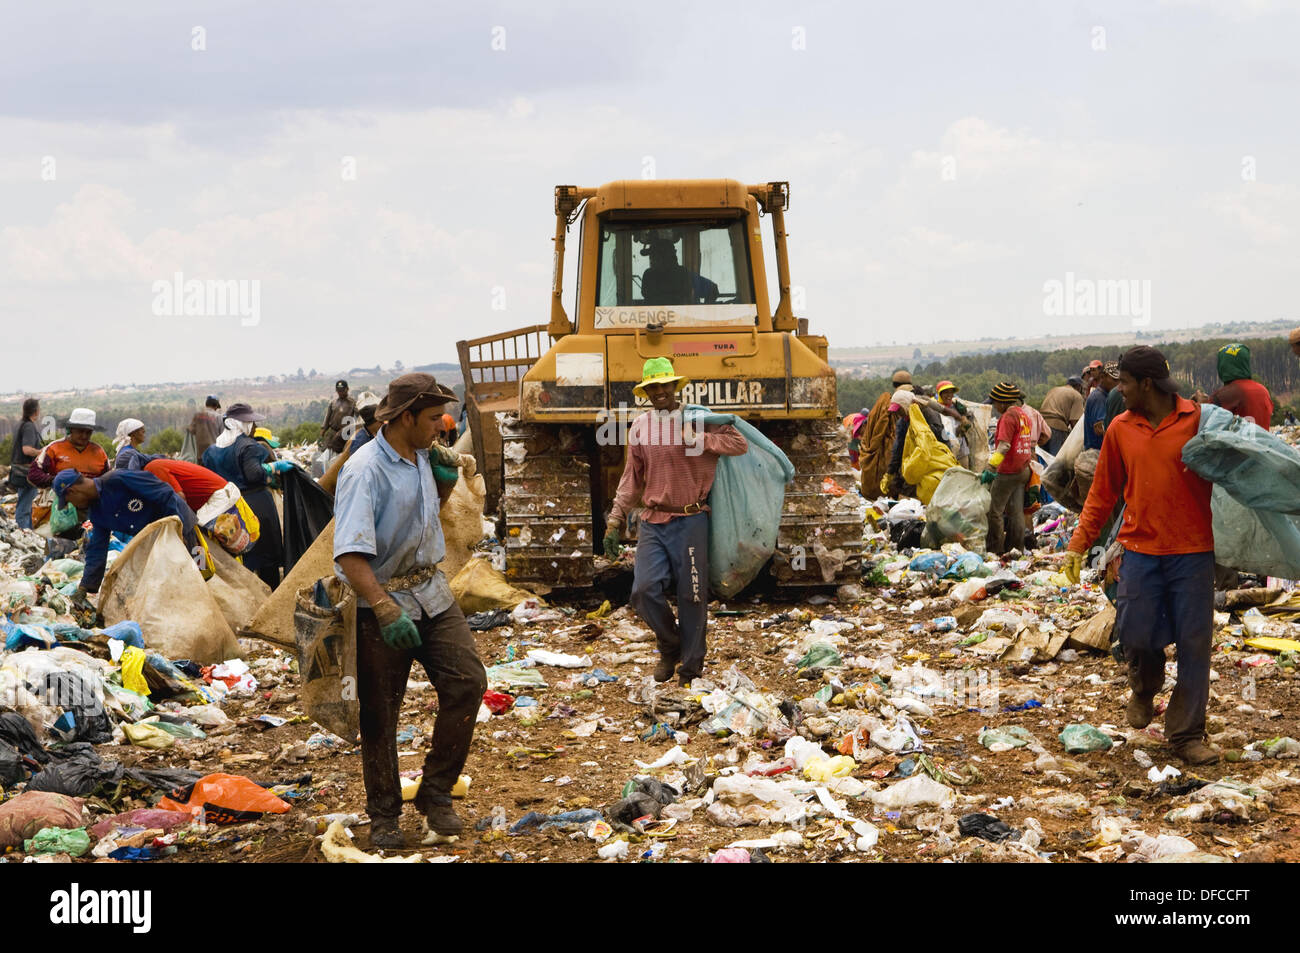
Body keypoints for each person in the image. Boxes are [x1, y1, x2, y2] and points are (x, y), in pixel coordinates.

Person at [333, 373, 487, 849]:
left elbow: (425, 516)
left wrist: (442, 486)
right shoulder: (364, 471)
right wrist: (381, 607)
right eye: (432, 419)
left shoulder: (423, 455)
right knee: (380, 713)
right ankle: (383, 816)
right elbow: (349, 554)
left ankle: (436, 793)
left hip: (431, 591)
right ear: (404, 418)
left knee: (467, 682)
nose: (442, 428)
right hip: (382, 600)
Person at [1063, 346, 1218, 765]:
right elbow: (1102, 491)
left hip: (1194, 551)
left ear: (1146, 384)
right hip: (1140, 549)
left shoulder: (1199, 421)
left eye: (1126, 383)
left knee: (1194, 643)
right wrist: (1079, 544)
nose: (1119, 390)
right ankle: (1145, 686)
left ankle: (1186, 734)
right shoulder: (1120, 428)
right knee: (1134, 632)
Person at [604, 358, 748, 686]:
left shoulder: (699, 419)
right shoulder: (640, 426)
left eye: (664, 386)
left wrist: (700, 440)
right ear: (646, 392)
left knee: (692, 595)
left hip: (691, 518)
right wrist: (615, 519)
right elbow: (632, 477)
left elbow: (739, 444)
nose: (659, 392)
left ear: (674, 387)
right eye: (652, 387)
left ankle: (690, 669)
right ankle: (671, 645)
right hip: (654, 520)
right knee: (643, 590)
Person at [54, 468, 199, 599]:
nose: (74, 505)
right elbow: (97, 549)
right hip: (156, 542)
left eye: (69, 501)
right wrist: (85, 588)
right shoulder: (97, 512)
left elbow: (165, 494)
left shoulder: (119, 479)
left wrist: (177, 529)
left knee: (199, 572)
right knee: (172, 584)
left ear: (72, 491)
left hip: (183, 528)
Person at [203, 403, 289, 589]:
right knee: (266, 555)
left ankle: (247, 596)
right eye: (250, 422)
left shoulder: (212, 451)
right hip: (256, 505)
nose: (254, 426)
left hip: (227, 509)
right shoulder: (248, 446)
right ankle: (270, 594)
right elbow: (254, 474)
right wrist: (273, 467)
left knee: (240, 553)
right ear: (239, 424)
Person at [982, 382, 1036, 555]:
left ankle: (995, 550)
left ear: (1003, 402)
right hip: (1023, 469)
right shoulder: (1023, 414)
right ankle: (1016, 549)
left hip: (1008, 471)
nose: (995, 407)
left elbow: (1004, 445)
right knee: (1016, 512)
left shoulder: (1007, 417)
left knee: (994, 511)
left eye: (996, 403)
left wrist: (991, 466)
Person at [858, 370, 913, 498]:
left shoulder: (883, 402)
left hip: (886, 454)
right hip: (895, 453)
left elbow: (875, 434)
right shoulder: (897, 403)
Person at [1195, 343, 1274, 431]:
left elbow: (1206, 422)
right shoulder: (1263, 390)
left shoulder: (1223, 395)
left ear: (1222, 366)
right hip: (1263, 443)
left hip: (1240, 444)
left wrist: (1201, 404)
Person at [7, 398, 44, 530]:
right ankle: (23, 531)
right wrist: (41, 452)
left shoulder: (21, 424)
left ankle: (28, 532)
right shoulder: (28, 426)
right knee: (24, 507)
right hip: (26, 473)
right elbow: (27, 449)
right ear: (35, 411)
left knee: (25, 504)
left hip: (18, 471)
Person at [639, 239, 695, 305]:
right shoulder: (683, 273)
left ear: (666, 256)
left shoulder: (649, 274)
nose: (651, 259)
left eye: (654, 255)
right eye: (651, 256)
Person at [1039, 378, 1085, 453]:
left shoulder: (1054, 390)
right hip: (1057, 427)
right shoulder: (1076, 395)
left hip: (1042, 425)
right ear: (1078, 386)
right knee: (1055, 459)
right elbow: (1074, 422)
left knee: (1043, 457)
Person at [1083, 363, 1121, 451]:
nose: (1118, 384)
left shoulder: (1104, 396)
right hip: (1097, 451)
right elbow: (1100, 428)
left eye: (1119, 380)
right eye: (1115, 380)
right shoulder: (1099, 398)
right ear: (1103, 377)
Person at [321, 380, 358, 455]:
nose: (340, 393)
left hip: (345, 433)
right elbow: (327, 417)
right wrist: (323, 429)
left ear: (347, 389)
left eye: (342, 390)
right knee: (327, 451)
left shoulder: (352, 403)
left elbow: (359, 416)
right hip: (333, 432)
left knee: (343, 453)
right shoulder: (333, 403)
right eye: (338, 391)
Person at [189, 396, 224, 463]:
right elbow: (222, 435)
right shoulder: (218, 417)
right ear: (216, 406)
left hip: (200, 453)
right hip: (214, 454)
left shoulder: (197, 415)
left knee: (201, 472)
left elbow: (192, 431)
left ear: (206, 404)